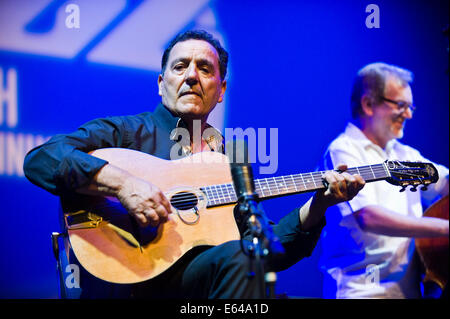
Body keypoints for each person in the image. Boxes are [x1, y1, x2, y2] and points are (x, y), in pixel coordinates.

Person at [23, 30, 365, 299]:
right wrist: (123, 184)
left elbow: (262, 250)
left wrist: (320, 204)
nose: (191, 76)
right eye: (179, 66)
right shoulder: (125, 133)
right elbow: (40, 159)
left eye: (204, 68)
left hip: (202, 290)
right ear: (161, 84)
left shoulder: (231, 157)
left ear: (221, 90)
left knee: (246, 259)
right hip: (129, 283)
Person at [319, 62, 449, 299]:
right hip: (361, 292)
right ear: (368, 104)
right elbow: (368, 216)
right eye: (401, 105)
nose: (408, 114)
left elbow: (445, 181)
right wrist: (444, 228)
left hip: (407, 292)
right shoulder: (343, 151)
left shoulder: (405, 155)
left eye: (410, 107)